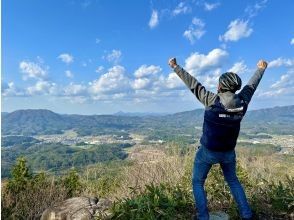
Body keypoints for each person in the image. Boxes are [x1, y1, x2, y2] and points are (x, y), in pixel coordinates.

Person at [168, 57, 268, 220]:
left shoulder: (212, 100)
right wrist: (261, 70)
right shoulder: (242, 102)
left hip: (208, 151)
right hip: (228, 152)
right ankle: (247, 215)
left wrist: (175, 66)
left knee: (198, 182)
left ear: (220, 86)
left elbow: (193, 84)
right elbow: (252, 86)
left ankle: (203, 217)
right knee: (233, 181)